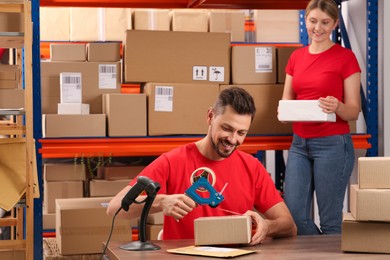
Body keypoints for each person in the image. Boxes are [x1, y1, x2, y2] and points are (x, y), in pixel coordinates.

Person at [108, 87, 297, 245]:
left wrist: (267, 226)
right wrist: (160, 202)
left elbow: (289, 225)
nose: (232, 139)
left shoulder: (252, 167)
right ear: (210, 117)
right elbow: (115, 207)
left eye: (241, 132)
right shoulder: (172, 161)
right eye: (227, 128)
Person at [280, 0, 361, 235]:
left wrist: (337, 106)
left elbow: (353, 110)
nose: (318, 28)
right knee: (294, 215)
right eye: (313, 21)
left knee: (330, 220)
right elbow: (287, 100)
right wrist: (284, 112)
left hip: (333, 145)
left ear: (335, 23)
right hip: (299, 144)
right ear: (306, 20)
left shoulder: (345, 58)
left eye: (325, 22)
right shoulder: (296, 57)